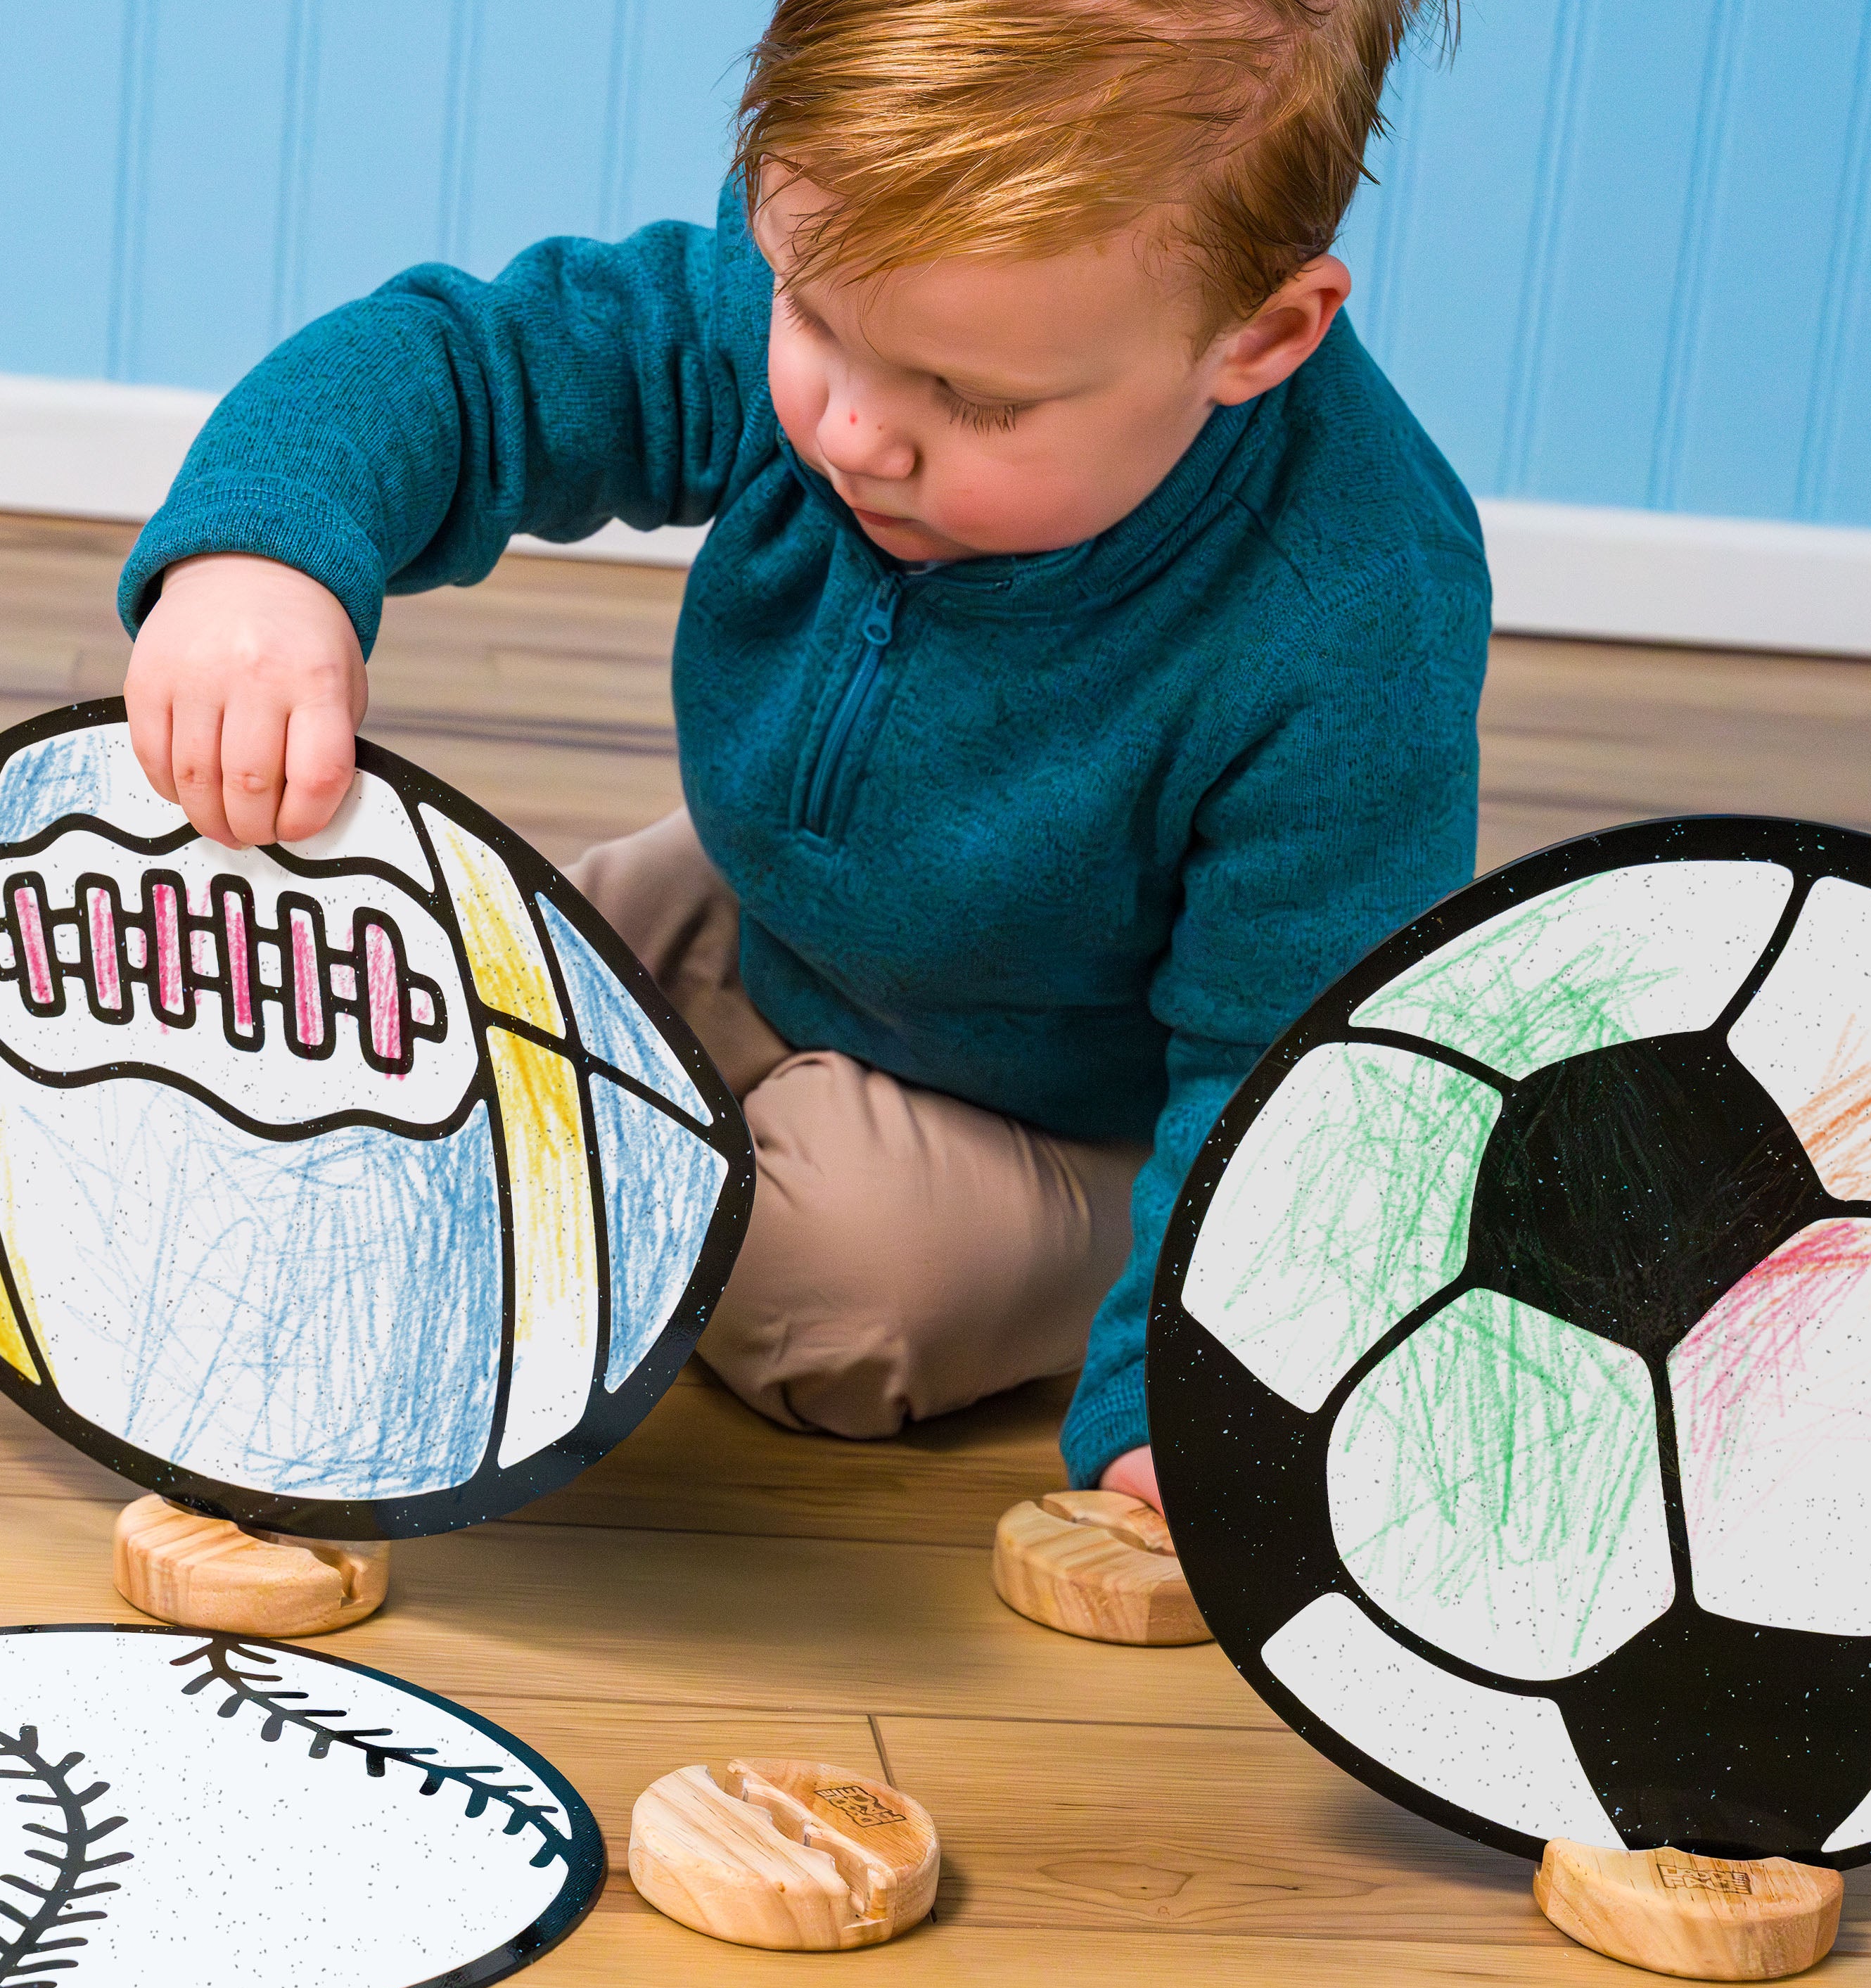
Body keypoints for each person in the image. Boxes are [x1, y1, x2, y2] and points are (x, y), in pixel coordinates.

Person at [117, 0, 1486, 1527]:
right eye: (811, 318)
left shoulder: (1351, 611)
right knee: (429, 1004)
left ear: (1260, 338)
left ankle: (1112, 1248)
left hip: (1081, 1102)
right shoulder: (844, 284)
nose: (853, 432)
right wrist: (261, 558)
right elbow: (469, 366)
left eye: (972, 400)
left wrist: (1198, 1383)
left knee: (826, 1295)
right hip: (778, 910)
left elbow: (1298, 1067)